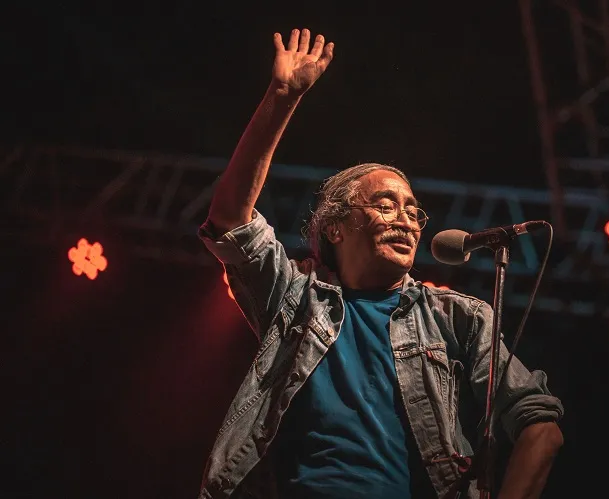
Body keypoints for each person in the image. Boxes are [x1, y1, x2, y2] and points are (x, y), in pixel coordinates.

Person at [197, 28, 564, 499]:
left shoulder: (458, 318)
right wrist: (282, 98)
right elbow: (230, 220)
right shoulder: (295, 299)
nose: (406, 220)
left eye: (414, 211)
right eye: (386, 205)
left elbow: (542, 429)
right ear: (335, 227)